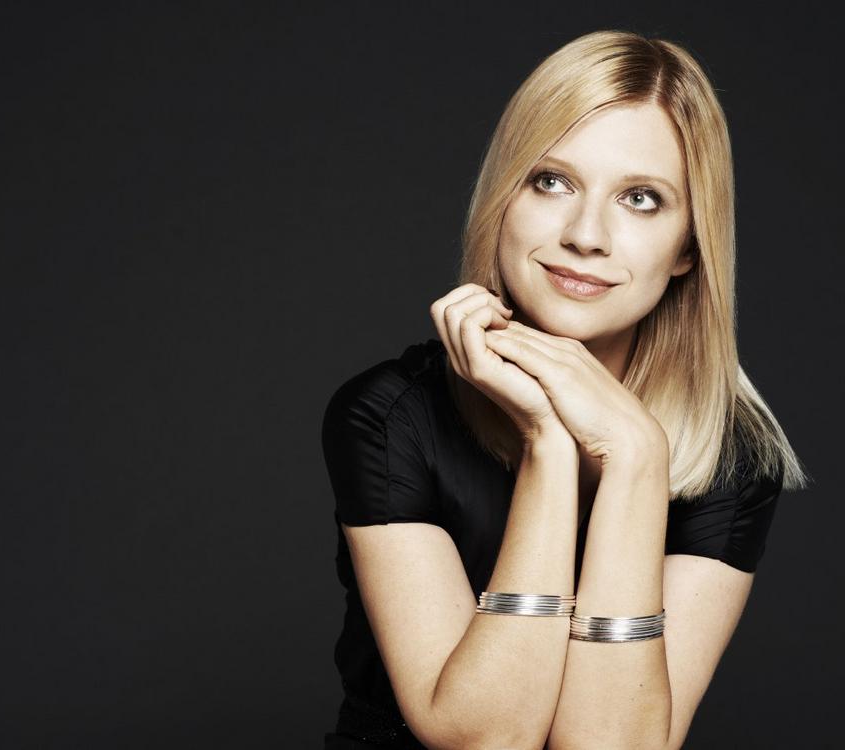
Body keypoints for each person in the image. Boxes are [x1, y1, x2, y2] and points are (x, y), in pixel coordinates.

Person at [320, 30, 810, 750]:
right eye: (552, 182)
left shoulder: (731, 453)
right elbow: (485, 738)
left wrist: (636, 457)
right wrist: (546, 442)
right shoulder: (391, 415)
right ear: (503, 198)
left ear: (688, 246)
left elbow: (610, 745)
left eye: (640, 199)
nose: (586, 234)